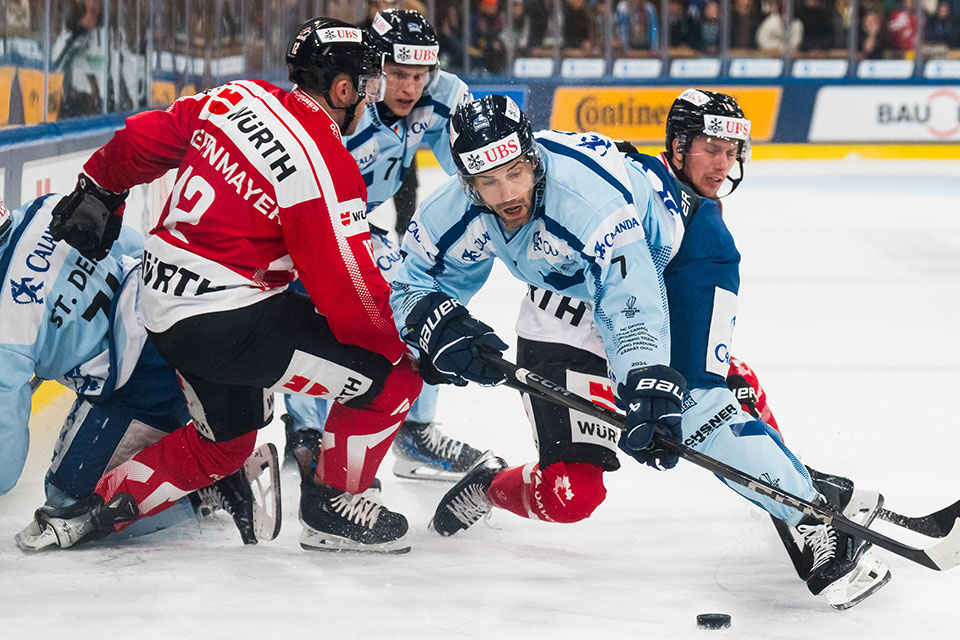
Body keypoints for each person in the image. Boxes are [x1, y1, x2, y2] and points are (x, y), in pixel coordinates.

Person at [393, 92, 890, 609]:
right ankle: (490, 484)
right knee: (570, 494)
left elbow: (631, 299)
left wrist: (648, 378)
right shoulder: (456, 206)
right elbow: (410, 282)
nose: (505, 194)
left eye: (515, 173)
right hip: (565, 301)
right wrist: (431, 322)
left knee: (696, 405)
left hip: (681, 260)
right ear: (466, 182)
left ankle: (807, 511)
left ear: (532, 156)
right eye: (487, 183)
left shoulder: (586, 197)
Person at [33, 18, 423, 554]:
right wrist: (404, 345)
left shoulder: (239, 95)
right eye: (368, 85)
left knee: (227, 444)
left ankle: (89, 511)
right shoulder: (324, 160)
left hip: (161, 307)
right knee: (396, 381)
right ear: (342, 88)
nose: (370, 98)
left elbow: (146, 136)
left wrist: (100, 183)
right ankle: (333, 506)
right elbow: (347, 290)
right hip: (228, 323)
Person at [1, 195, 277, 549]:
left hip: (150, 379)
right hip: (197, 322)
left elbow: (4, 471)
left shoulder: (7, 329)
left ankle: (207, 485)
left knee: (69, 504)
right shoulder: (48, 207)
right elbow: (141, 247)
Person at [283, 8, 484, 484]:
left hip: (362, 218)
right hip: (308, 218)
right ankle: (306, 429)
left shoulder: (445, 94)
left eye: (420, 75)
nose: (410, 87)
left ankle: (413, 427)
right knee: (314, 308)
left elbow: (473, 163)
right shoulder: (339, 105)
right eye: (397, 74)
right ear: (371, 70)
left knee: (427, 297)